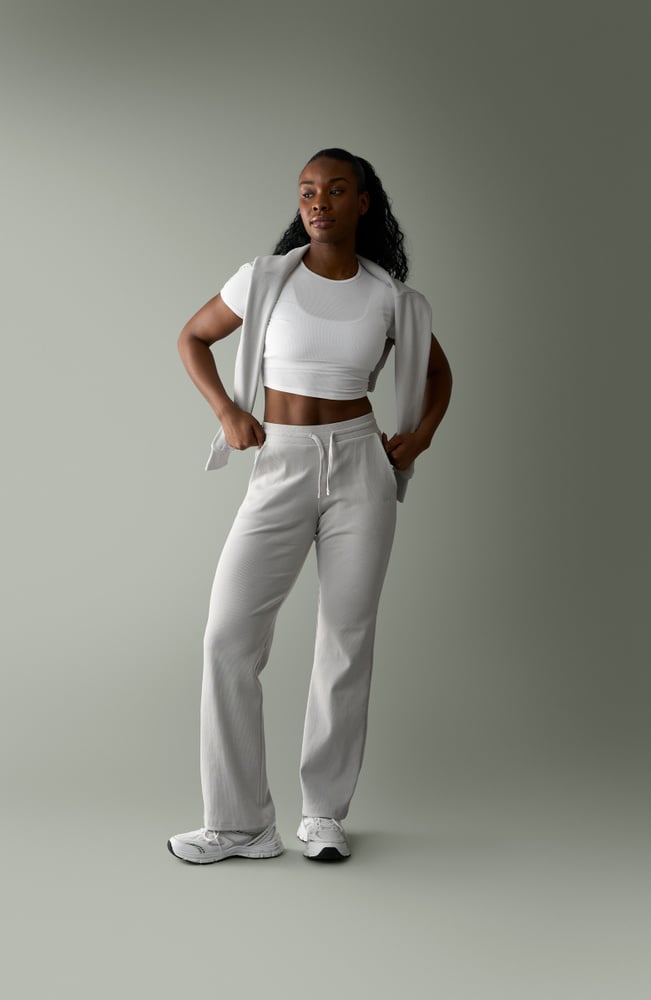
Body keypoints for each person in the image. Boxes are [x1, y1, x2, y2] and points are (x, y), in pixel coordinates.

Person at [167, 148, 452, 864]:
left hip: (361, 466)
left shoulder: (391, 298)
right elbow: (193, 337)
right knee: (228, 636)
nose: (318, 201)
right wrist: (228, 412)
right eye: (306, 191)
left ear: (363, 202)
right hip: (283, 459)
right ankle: (240, 824)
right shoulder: (264, 279)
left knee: (345, 640)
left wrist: (417, 438)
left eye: (334, 189)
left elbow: (438, 374)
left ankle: (323, 815)